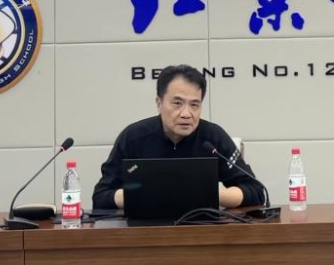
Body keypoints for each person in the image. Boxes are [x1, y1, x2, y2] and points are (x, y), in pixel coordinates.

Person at [92, 64, 264, 210]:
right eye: (177, 103)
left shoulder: (213, 138)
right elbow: (101, 197)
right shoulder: (133, 137)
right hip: (144, 231)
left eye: (194, 105)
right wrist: (143, 194)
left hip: (202, 229)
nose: (186, 114)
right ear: (159, 103)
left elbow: (255, 191)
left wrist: (207, 193)